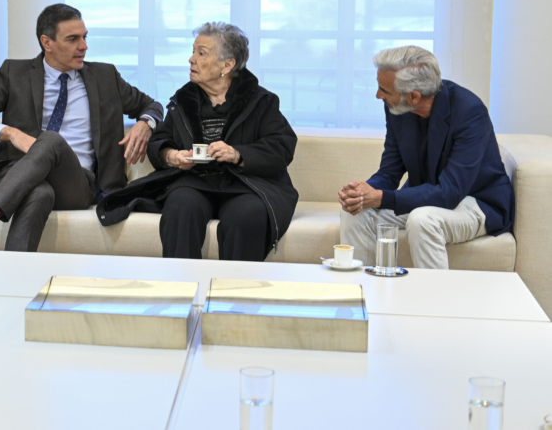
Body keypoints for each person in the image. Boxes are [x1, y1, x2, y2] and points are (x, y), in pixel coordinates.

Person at [0, 4, 164, 251]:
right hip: (20, 174)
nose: (84, 46)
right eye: (73, 39)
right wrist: (9, 132)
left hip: (77, 183)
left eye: (84, 37)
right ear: (47, 42)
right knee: (39, 193)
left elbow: (152, 105)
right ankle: (14, 279)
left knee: (51, 140)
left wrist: (146, 123)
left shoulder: (105, 76)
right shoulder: (15, 74)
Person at [97, 22, 298, 261]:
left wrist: (237, 154)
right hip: (194, 181)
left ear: (227, 65)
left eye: (201, 53)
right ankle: (181, 289)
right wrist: (170, 156)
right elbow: (160, 138)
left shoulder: (261, 101)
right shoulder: (184, 100)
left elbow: (282, 146)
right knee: (181, 206)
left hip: (245, 185)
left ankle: (234, 291)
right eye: (193, 51)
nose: (191, 59)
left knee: (247, 215)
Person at [338, 46, 513, 269]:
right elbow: (390, 171)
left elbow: (450, 192)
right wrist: (363, 193)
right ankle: (363, 295)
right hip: (428, 198)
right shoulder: (397, 109)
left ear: (413, 96)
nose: (378, 95)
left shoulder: (469, 111)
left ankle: (434, 302)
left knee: (422, 220)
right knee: (356, 213)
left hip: (477, 202)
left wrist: (381, 197)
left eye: (384, 90)